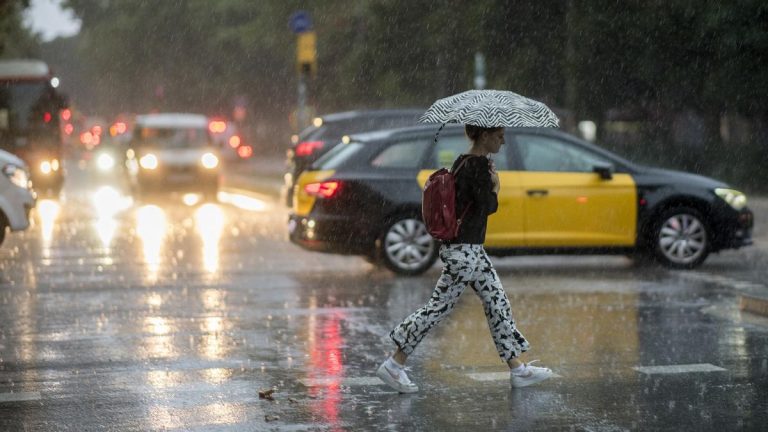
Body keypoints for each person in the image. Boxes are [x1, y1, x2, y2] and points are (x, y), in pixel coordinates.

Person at [376, 124, 554, 393]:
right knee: (438, 309)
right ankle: (394, 364)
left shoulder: (463, 161)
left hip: (470, 249)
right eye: (499, 136)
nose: (503, 142)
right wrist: (495, 186)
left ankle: (518, 369)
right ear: (484, 135)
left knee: (496, 302)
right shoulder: (477, 167)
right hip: (464, 252)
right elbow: (486, 207)